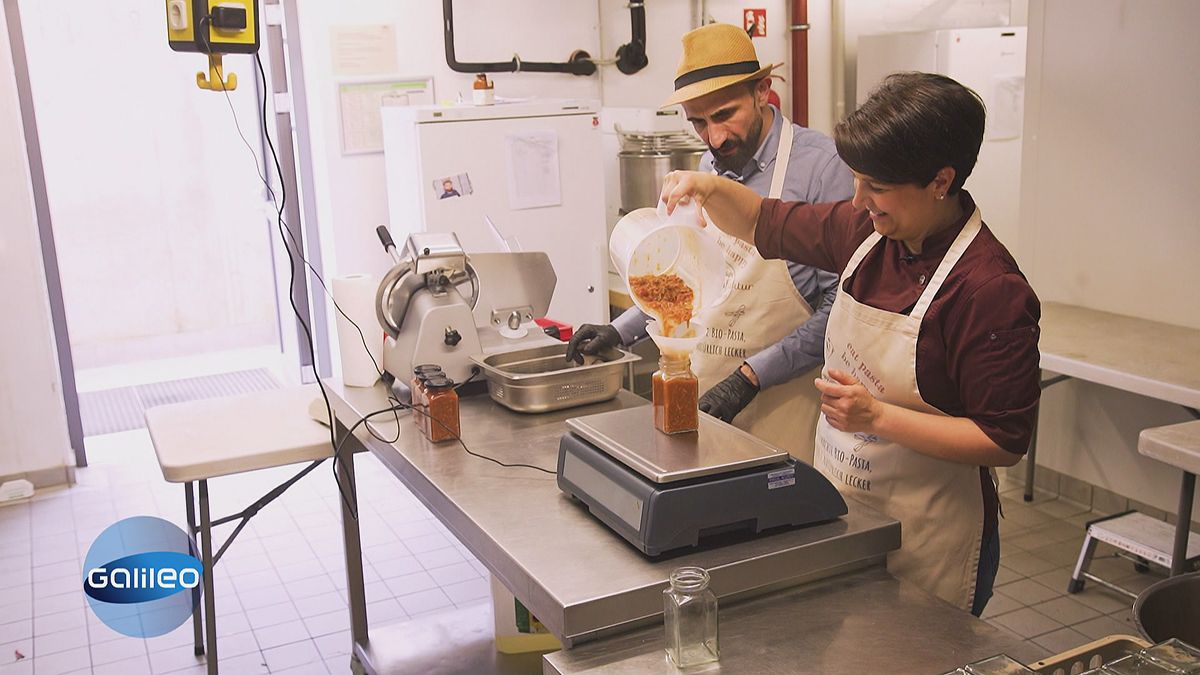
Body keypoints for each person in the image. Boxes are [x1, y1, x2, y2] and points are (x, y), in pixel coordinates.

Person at [658, 72, 1041, 617]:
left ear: (941, 180)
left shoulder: (989, 289)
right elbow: (764, 220)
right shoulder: (865, 233)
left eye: (877, 187)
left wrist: (876, 417)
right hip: (842, 510)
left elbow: (1003, 440)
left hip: (928, 531)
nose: (858, 198)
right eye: (858, 181)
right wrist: (710, 188)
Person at [567, 23, 853, 459]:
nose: (715, 138)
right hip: (706, 396)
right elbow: (689, 275)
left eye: (723, 115)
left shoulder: (821, 166)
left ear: (762, 91)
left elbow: (841, 306)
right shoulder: (711, 162)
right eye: (698, 122)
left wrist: (751, 377)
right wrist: (619, 330)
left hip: (784, 402)